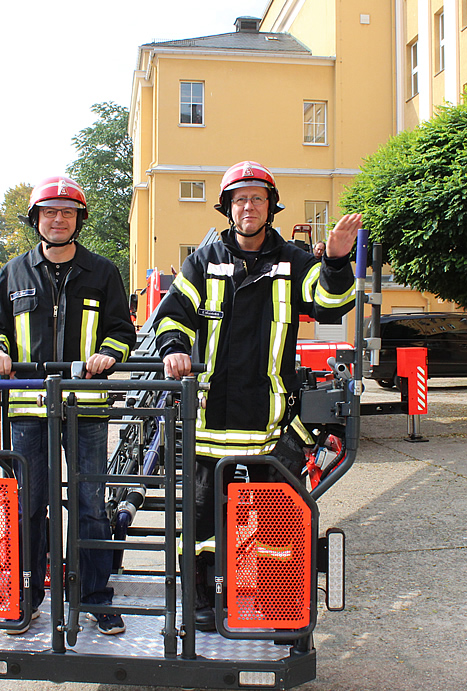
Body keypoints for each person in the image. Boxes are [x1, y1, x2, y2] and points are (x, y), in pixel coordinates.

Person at [153, 160, 361, 630]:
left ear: (270, 208)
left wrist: (334, 260)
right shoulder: (202, 261)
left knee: (276, 524)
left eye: (257, 199)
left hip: (270, 426)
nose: (248, 206)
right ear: (228, 207)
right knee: (203, 527)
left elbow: (330, 305)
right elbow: (173, 315)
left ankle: (277, 607)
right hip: (211, 425)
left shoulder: (294, 260)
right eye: (240, 199)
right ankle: (203, 605)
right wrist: (173, 350)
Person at [0, 175, 136, 636]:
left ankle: (95, 598)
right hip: (29, 408)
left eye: (67, 212)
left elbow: (122, 332)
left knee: (89, 504)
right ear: (37, 219)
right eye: (50, 211)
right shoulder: (13, 273)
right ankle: (27, 597)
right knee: (29, 503)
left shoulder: (103, 272)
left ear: (78, 220)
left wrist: (109, 353)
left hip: (86, 409)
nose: (58, 219)